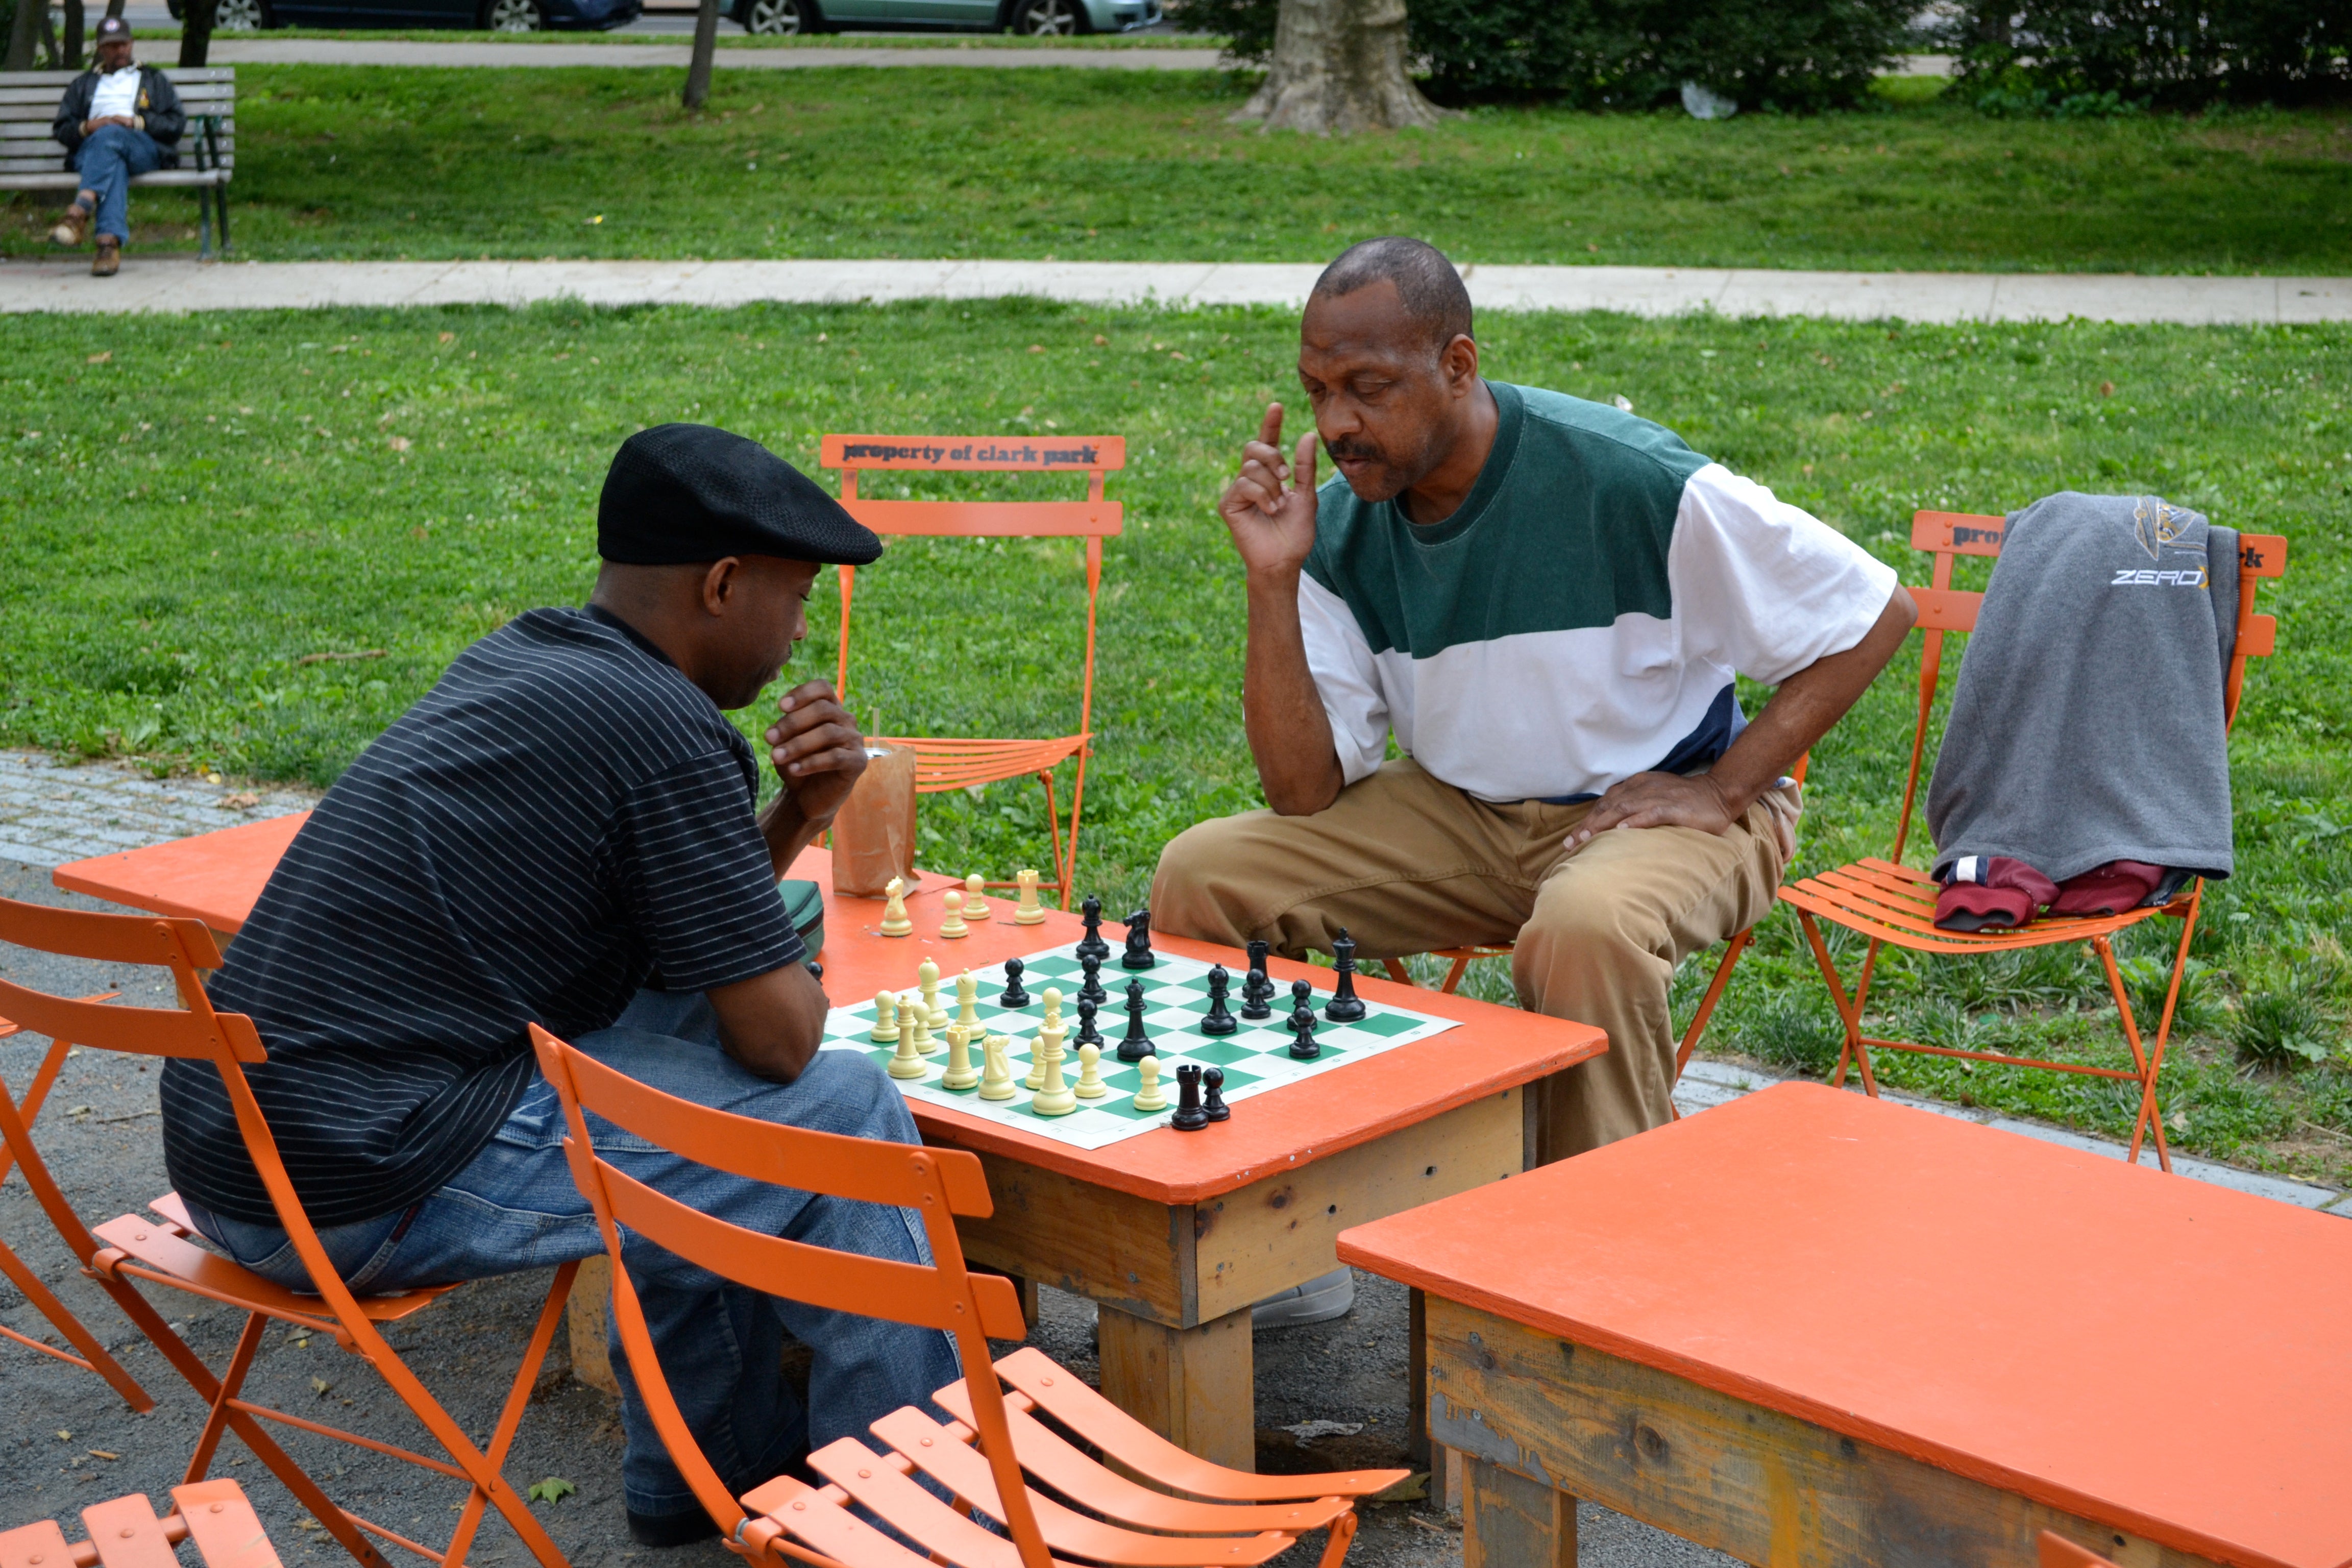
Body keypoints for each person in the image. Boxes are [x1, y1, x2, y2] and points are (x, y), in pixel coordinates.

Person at [159, 425, 959, 1547]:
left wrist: (797, 816)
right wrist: (793, 974)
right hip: (349, 1186)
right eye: (796, 600)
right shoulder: (666, 730)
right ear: (725, 585)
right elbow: (783, 1041)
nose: (798, 638)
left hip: (232, 1153)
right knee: (844, 1113)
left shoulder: (527, 657)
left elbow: (686, 938)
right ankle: (906, 1518)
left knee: (688, 1034)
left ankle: (703, 1464)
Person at [1154, 236, 1915, 1186]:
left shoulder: (1627, 479)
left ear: (1457, 365)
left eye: (1368, 386)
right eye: (1316, 391)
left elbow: (1874, 611)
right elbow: (1301, 790)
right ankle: (1284, 1211)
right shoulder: (1339, 520)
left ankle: (1603, 1245)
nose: (1338, 421)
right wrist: (1273, 582)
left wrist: (1723, 790)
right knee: (1202, 878)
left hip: (1661, 806)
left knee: (1584, 926)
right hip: (1461, 810)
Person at [47, 16, 186, 277]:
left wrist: (136, 122)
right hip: (92, 152)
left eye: (123, 44)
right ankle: (107, 246)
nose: (119, 50)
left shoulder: (153, 79)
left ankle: (80, 210)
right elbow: (63, 129)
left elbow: (175, 124)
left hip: (143, 148)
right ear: (101, 49)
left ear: (132, 44)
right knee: (113, 160)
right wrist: (88, 128)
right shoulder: (83, 84)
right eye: (112, 46)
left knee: (112, 136)